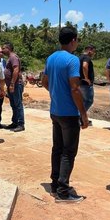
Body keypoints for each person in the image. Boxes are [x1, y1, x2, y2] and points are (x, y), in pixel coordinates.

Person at [42, 26, 88, 203]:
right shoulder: (73, 60)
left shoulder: (51, 58)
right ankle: (63, 192)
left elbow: (44, 81)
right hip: (69, 113)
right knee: (68, 152)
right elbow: (75, 88)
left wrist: (55, 93)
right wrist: (83, 114)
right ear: (73, 40)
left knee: (57, 148)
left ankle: (55, 185)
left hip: (55, 111)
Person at [2, 42, 25, 132]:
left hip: (15, 85)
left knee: (18, 104)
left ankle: (21, 123)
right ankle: (15, 122)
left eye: (3, 48)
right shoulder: (9, 58)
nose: (2, 50)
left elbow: (16, 70)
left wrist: (12, 84)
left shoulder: (13, 57)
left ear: (8, 48)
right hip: (11, 85)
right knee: (13, 104)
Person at [79, 44, 96, 126]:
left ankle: (82, 119)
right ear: (89, 50)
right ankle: (79, 117)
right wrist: (86, 78)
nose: (94, 53)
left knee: (82, 101)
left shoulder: (79, 57)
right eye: (93, 51)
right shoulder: (86, 57)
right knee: (89, 101)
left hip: (80, 83)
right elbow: (84, 66)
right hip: (85, 84)